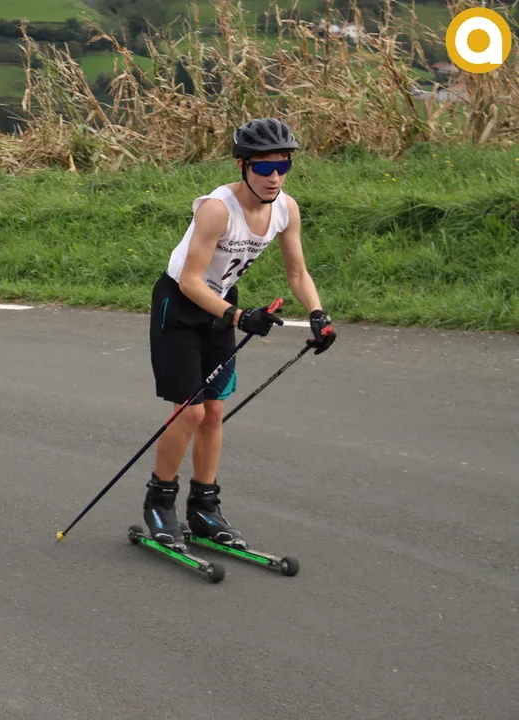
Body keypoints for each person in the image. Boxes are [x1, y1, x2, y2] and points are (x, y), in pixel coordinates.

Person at [143, 117, 336, 547]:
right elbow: (190, 281)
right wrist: (238, 316)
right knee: (190, 412)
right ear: (242, 166)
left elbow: (297, 272)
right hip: (180, 306)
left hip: (222, 304)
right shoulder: (217, 209)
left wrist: (318, 314)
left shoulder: (285, 208)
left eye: (283, 166)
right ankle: (159, 502)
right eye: (264, 167)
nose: (274, 177)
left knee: (214, 411)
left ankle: (204, 508)